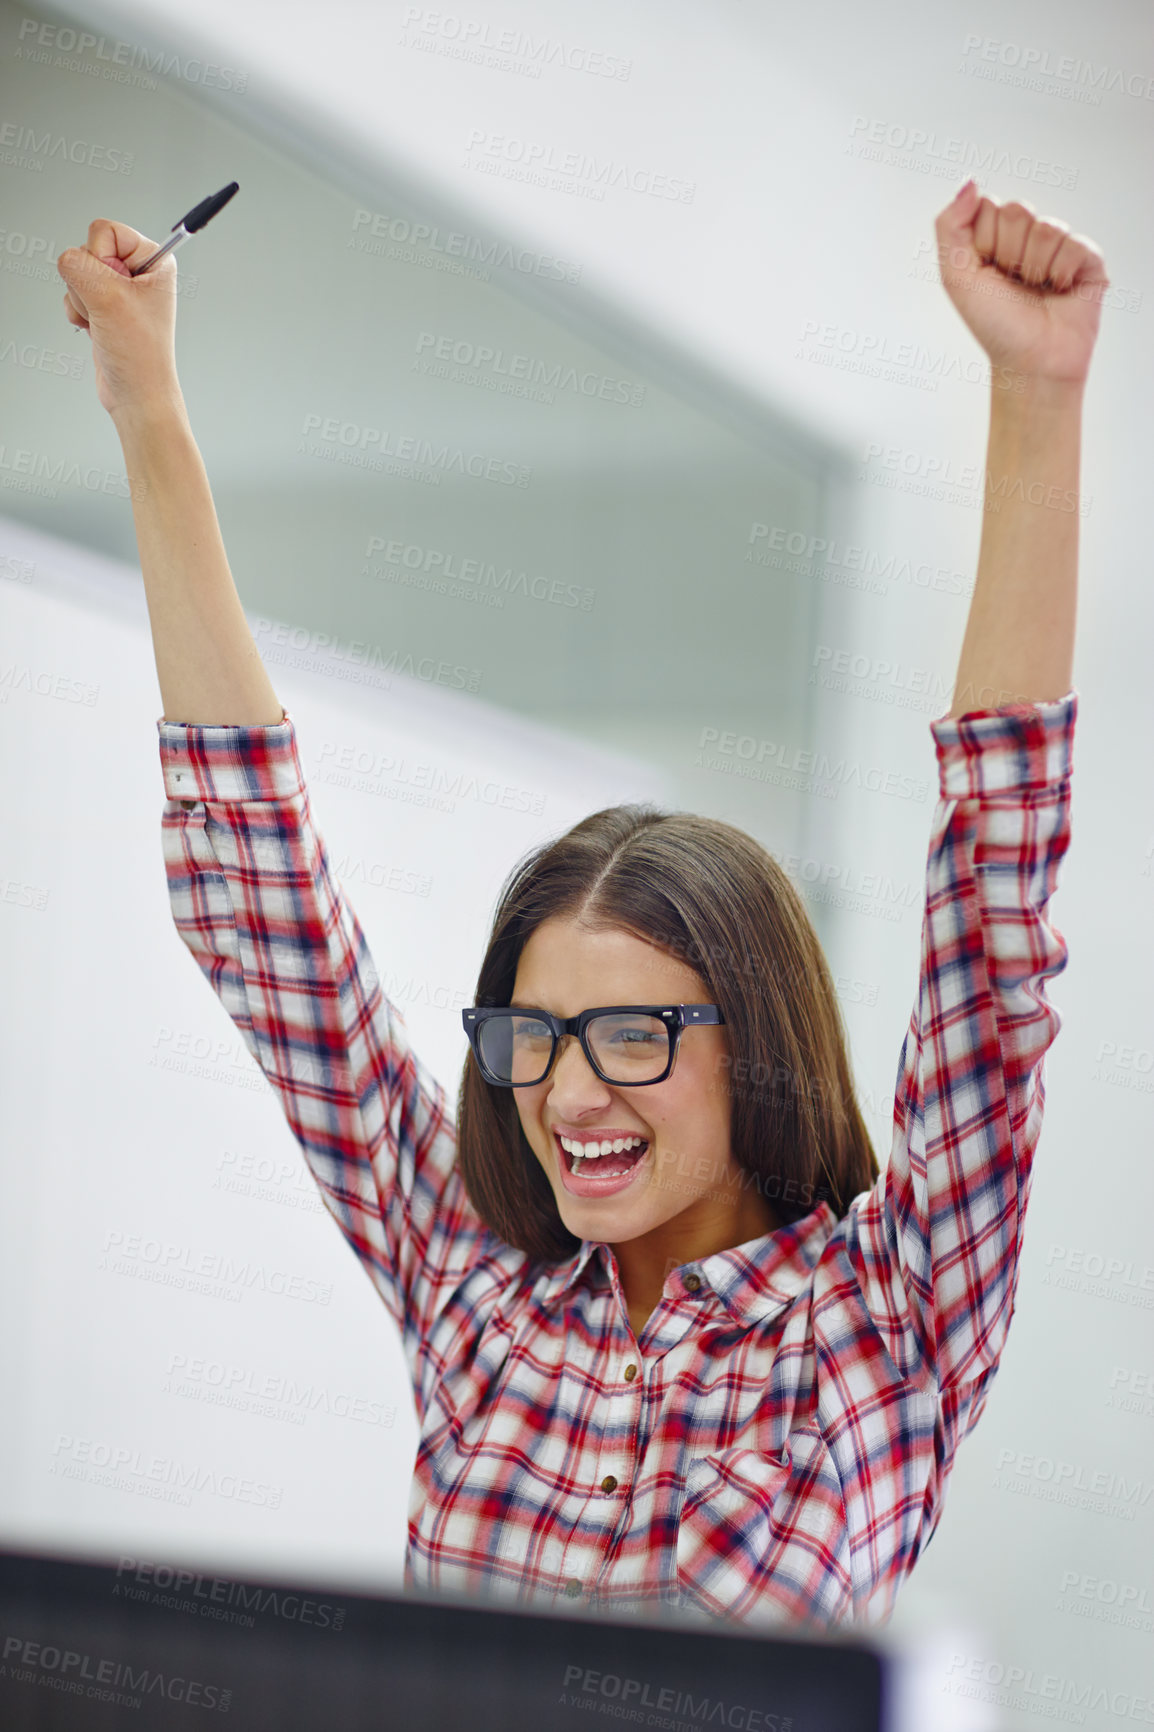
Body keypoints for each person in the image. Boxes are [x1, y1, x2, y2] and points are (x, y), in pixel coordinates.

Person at [57, 178, 1106, 1629]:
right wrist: (145, 403)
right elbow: (263, 898)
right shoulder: (478, 1284)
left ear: (756, 1042)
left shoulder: (880, 1322)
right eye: (531, 1036)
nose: (564, 1093)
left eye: (627, 1034)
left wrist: (1034, 392)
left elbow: (992, 897)